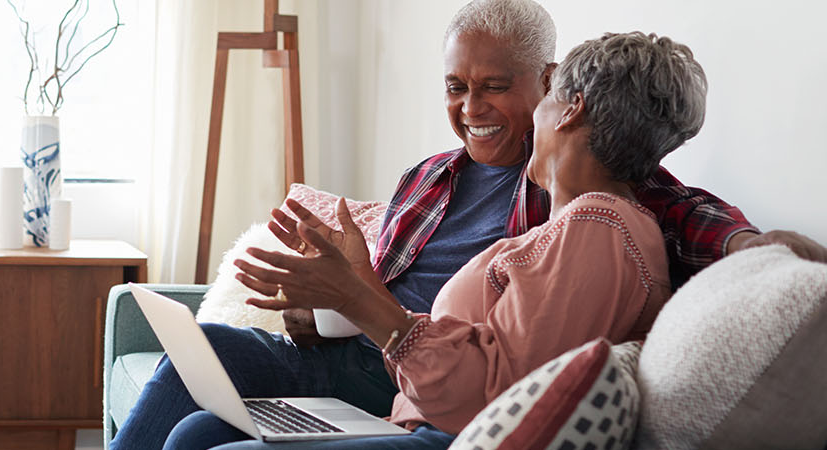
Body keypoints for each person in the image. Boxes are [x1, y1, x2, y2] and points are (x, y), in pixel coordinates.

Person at [108, 1, 827, 449]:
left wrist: (746, 247)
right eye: (456, 87)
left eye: (493, 87)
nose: (470, 106)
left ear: (552, 89)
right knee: (199, 356)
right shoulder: (427, 179)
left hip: (418, 375)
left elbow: (665, 205)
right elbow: (364, 289)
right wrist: (314, 300)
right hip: (361, 356)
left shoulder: (579, 199)